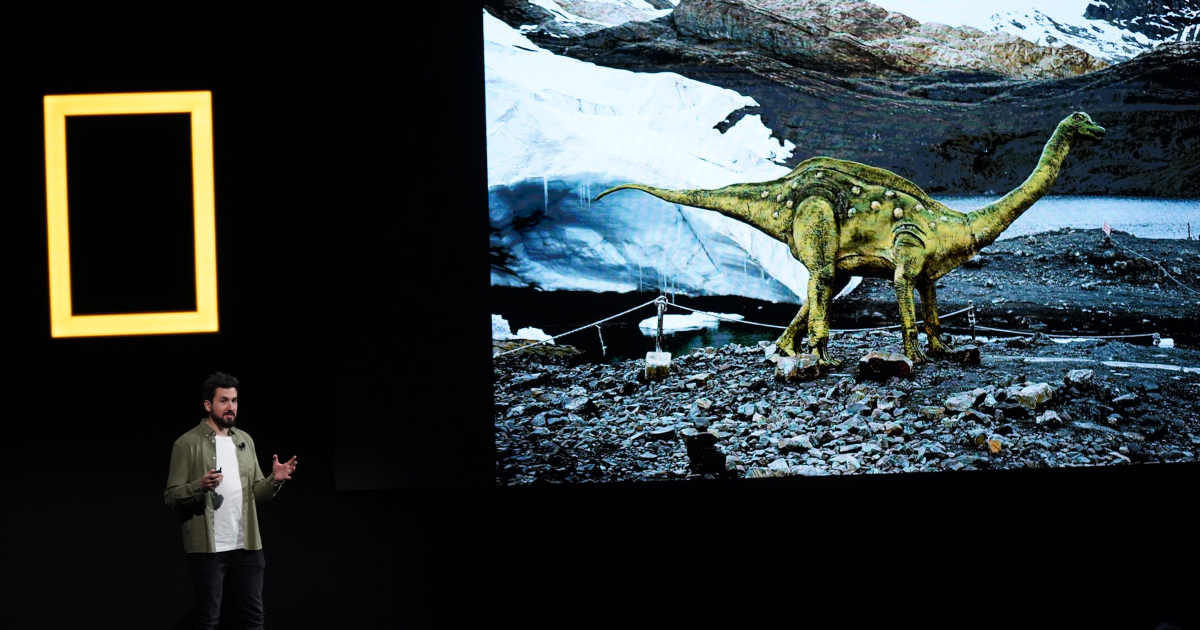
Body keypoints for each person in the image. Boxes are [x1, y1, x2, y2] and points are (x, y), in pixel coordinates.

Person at [164, 372, 298, 630]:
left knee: (253, 619)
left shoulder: (244, 440)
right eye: (223, 400)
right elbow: (170, 496)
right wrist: (199, 486)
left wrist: (275, 479)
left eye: (234, 401)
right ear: (208, 405)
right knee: (208, 620)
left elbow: (256, 494)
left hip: (247, 546)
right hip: (208, 549)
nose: (231, 407)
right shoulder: (186, 443)